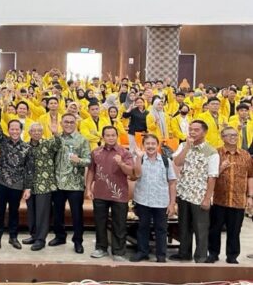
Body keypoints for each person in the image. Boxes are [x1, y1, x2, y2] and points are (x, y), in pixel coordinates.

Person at [170, 120, 218, 263]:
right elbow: (177, 162)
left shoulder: (212, 152)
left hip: (199, 195)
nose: (192, 132)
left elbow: (212, 177)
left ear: (204, 132)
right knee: (183, 226)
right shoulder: (183, 146)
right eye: (190, 129)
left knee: (200, 228)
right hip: (184, 192)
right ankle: (184, 253)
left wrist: (207, 198)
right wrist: (186, 147)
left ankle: (201, 257)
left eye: (196, 130)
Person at [86, 126, 134, 261]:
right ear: (103, 137)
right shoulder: (96, 152)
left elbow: (131, 172)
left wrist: (121, 164)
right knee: (100, 222)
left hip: (119, 195)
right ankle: (101, 248)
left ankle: (118, 251)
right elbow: (91, 171)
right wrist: (88, 188)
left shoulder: (125, 153)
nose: (111, 137)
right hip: (100, 193)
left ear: (117, 136)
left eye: (113, 135)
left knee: (119, 224)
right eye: (108, 135)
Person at [0, 100, 33, 250]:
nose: (14, 131)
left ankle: (13, 237)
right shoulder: (3, 141)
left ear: (21, 130)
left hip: (17, 184)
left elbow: (29, 169)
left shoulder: (27, 147)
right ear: (8, 130)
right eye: (12, 129)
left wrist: (27, 188)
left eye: (17, 129)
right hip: (1, 182)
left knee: (14, 212)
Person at [207, 126, 253, 264]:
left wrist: (250, 196)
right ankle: (213, 253)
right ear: (222, 137)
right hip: (219, 199)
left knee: (235, 230)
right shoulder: (216, 153)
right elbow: (209, 175)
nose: (233, 137)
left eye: (235, 135)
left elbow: (250, 176)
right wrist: (221, 168)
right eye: (229, 135)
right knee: (215, 229)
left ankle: (232, 256)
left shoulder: (245, 155)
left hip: (238, 200)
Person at [130, 134, 177, 263]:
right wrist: (138, 158)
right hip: (142, 200)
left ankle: (161, 255)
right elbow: (136, 175)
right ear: (143, 145)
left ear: (157, 145)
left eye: (153, 144)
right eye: (147, 144)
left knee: (161, 229)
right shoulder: (139, 158)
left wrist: (172, 203)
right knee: (142, 227)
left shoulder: (166, 161)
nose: (150, 146)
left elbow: (172, 183)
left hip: (161, 201)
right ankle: (142, 252)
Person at [49, 113, 91, 254]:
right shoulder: (57, 138)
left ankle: (78, 241)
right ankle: (60, 236)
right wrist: (54, 135)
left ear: (75, 124)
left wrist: (79, 160)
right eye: (66, 122)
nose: (68, 124)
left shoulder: (82, 140)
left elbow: (88, 160)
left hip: (75, 184)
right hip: (58, 183)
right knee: (57, 213)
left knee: (77, 215)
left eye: (71, 122)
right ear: (61, 123)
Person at [23, 122, 61, 251]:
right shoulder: (25, 146)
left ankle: (40, 239)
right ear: (29, 133)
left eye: (39, 130)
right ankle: (33, 235)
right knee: (31, 212)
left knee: (42, 214)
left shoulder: (48, 143)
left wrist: (56, 133)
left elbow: (59, 144)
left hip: (44, 185)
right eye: (34, 131)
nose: (37, 133)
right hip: (29, 185)